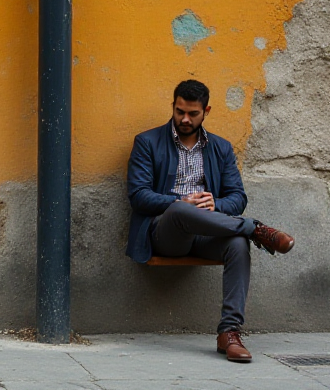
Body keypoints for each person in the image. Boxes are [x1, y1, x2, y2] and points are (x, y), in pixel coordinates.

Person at [126, 79, 295, 363]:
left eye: (193, 113)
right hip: (165, 233)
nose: (185, 119)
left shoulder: (221, 148)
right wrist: (178, 202)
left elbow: (237, 198)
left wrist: (215, 203)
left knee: (238, 244)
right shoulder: (147, 142)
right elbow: (139, 196)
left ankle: (229, 333)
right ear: (173, 106)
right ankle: (256, 228)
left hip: (207, 233)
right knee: (180, 210)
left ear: (207, 111)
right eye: (180, 111)